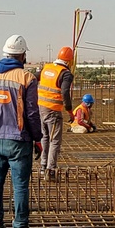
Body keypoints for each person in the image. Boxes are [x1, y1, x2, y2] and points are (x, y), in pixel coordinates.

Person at [0, 35, 43, 228]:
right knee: (20, 186)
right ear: (22, 55)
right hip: (18, 140)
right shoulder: (27, 78)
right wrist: (37, 138)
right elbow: (32, 113)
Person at [37, 46, 75, 180]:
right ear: (70, 61)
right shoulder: (65, 73)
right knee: (55, 141)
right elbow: (65, 93)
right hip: (53, 111)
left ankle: (43, 166)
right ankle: (51, 170)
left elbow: (34, 79)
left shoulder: (46, 68)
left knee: (45, 137)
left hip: (41, 108)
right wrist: (70, 112)